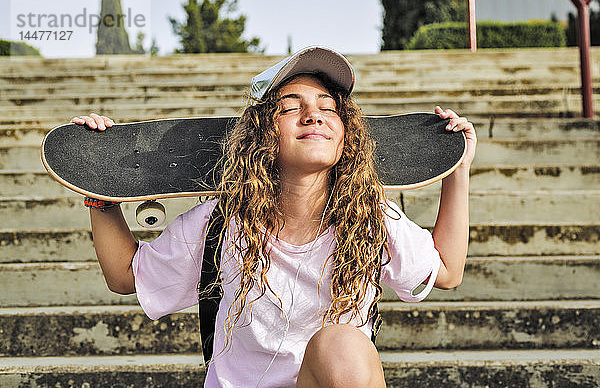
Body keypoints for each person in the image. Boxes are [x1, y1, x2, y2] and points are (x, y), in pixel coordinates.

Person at [71, 46, 477, 388]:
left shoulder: (370, 217)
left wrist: (458, 170)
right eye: (290, 108)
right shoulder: (221, 221)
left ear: (346, 134)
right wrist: (100, 188)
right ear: (265, 134)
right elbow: (125, 275)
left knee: (342, 345)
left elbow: (447, 271)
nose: (313, 115)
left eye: (327, 108)